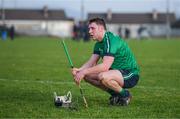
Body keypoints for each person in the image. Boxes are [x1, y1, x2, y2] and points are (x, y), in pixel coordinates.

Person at [72, 18, 140, 106]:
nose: (89, 31)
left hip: (130, 74)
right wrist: (79, 70)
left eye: (92, 28)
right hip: (116, 72)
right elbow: (91, 63)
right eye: (89, 28)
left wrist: (83, 71)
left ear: (101, 28)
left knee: (103, 76)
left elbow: (105, 66)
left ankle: (125, 95)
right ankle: (116, 94)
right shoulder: (98, 44)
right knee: (87, 76)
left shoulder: (110, 41)